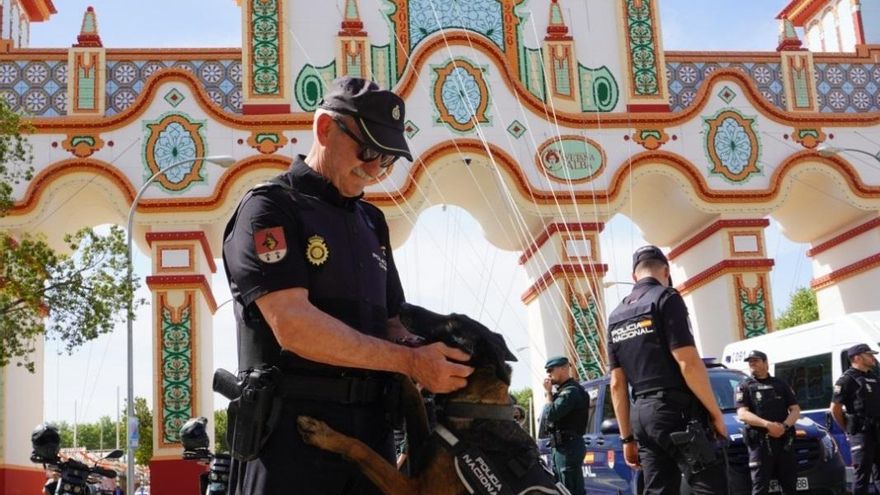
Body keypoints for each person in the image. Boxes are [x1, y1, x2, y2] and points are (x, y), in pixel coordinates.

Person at [222, 76, 474, 495]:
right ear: (324, 128)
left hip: (371, 439)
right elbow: (293, 326)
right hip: (290, 439)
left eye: (389, 159)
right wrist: (410, 363)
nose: (376, 169)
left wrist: (443, 358)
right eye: (369, 150)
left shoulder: (371, 222)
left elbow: (392, 323)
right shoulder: (270, 208)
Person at [606, 245, 728, 494]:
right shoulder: (666, 298)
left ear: (634, 277)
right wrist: (715, 413)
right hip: (675, 412)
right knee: (710, 485)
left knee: (659, 490)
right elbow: (689, 363)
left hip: (641, 416)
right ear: (665, 271)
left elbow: (617, 383)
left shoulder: (616, 315)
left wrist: (627, 438)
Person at [735, 350, 800, 495]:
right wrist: (768, 425)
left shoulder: (780, 384)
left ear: (766, 363)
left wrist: (784, 426)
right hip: (760, 443)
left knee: (790, 485)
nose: (752, 364)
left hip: (784, 442)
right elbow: (742, 414)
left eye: (756, 360)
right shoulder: (744, 386)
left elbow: (795, 410)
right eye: (750, 361)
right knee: (760, 487)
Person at [830, 343, 880, 494]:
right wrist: (847, 429)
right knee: (861, 476)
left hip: (877, 431)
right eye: (869, 355)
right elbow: (835, 408)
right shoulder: (846, 380)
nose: (873, 357)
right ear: (857, 358)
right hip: (861, 433)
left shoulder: (874, 377)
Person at [542, 355, 589, 495]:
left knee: (569, 489)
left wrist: (548, 393)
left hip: (569, 446)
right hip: (562, 447)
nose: (548, 374)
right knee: (562, 488)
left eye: (551, 370)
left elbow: (550, 414)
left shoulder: (571, 392)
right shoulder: (564, 390)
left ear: (563, 369)